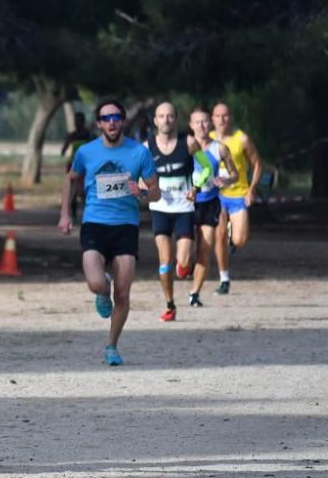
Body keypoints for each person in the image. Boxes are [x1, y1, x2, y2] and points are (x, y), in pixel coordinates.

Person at [58, 98, 160, 366]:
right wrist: (66, 214)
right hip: (95, 223)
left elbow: (156, 192)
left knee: (123, 294)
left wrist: (145, 193)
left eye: (116, 117)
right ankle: (102, 292)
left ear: (123, 121)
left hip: (126, 227)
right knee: (96, 283)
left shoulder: (140, 153)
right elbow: (70, 180)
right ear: (99, 124)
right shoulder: (86, 153)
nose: (112, 122)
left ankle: (112, 345)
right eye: (106, 118)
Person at [145, 102, 195, 322]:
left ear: (176, 119)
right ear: (155, 120)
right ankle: (170, 305)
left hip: (184, 207)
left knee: (182, 262)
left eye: (170, 116)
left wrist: (197, 186)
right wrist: (144, 187)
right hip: (160, 208)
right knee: (164, 261)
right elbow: (137, 173)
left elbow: (204, 167)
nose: (166, 120)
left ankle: (185, 265)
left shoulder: (189, 143)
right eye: (161, 116)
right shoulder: (146, 148)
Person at [210, 103, 262, 295]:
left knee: (240, 240)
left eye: (225, 116)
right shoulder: (208, 139)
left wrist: (252, 189)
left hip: (239, 194)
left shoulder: (242, 139)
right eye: (218, 116)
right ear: (212, 119)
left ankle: (232, 242)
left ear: (230, 117)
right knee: (220, 235)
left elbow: (257, 164)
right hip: (217, 196)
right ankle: (224, 279)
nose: (222, 120)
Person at [187, 108, 237, 308]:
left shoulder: (220, 148)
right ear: (190, 125)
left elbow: (234, 174)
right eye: (197, 122)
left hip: (210, 204)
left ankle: (194, 293)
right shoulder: (185, 147)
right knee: (186, 252)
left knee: (204, 249)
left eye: (205, 121)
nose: (201, 126)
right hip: (187, 204)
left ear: (210, 124)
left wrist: (226, 179)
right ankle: (184, 266)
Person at [61, 111, 93, 221]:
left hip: (85, 165)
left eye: (79, 121)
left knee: (85, 189)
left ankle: (87, 213)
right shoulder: (72, 135)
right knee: (72, 190)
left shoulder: (88, 135)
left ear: (83, 121)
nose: (77, 123)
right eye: (75, 121)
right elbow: (63, 151)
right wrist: (68, 141)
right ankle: (74, 214)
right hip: (73, 165)